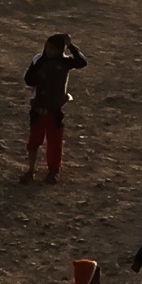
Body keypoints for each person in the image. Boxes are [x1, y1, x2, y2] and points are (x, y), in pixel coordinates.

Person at [21, 33, 87, 183]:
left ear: (59, 50)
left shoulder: (65, 62)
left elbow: (82, 62)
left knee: (54, 142)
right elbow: (28, 80)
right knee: (34, 140)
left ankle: (53, 172)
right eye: (47, 47)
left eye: (51, 48)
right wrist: (39, 77)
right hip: (38, 108)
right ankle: (31, 170)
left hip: (54, 109)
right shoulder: (39, 59)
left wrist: (71, 46)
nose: (48, 50)